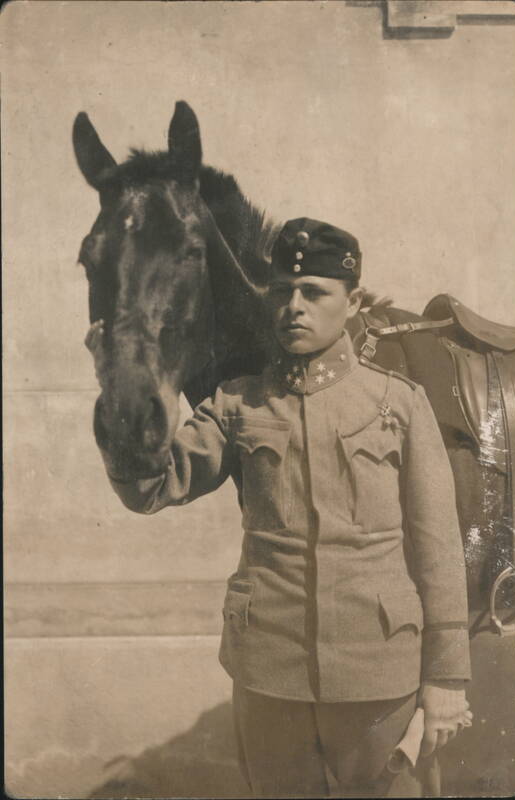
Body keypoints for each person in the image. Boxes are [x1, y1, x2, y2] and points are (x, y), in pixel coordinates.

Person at [86, 218, 472, 798]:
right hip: (270, 674)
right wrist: (118, 392)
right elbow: (151, 488)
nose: (294, 307)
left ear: (353, 302)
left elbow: (440, 552)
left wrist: (446, 679)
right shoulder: (237, 403)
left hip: (378, 673)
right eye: (283, 292)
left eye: (314, 292)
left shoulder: (398, 404)